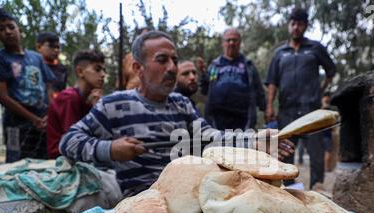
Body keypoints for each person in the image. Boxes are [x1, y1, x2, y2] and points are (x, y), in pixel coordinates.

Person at [59, 30, 294, 197]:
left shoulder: (181, 104)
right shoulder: (113, 105)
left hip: (191, 193)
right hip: (143, 201)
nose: (172, 67)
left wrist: (254, 140)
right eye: (162, 60)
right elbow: (68, 141)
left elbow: (210, 138)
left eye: (174, 60)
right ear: (138, 68)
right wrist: (110, 149)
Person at [265, 8, 336, 189]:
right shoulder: (280, 53)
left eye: (300, 24)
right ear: (289, 25)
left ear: (305, 26)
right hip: (286, 110)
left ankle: (316, 188)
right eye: (293, 23)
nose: (296, 27)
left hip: (310, 110)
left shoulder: (315, 48)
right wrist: (269, 106)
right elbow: (272, 82)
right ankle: (289, 188)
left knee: (316, 152)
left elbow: (331, 72)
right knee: (285, 152)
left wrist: (320, 91)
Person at [0, 8, 55, 162]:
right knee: (16, 164)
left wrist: (50, 114)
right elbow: (2, 97)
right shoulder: (2, 58)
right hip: (16, 125)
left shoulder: (36, 58)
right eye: (1, 29)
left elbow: (48, 88)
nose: (8, 32)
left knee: (43, 162)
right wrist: (33, 119)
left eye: (11, 26)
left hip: (43, 121)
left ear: (19, 29)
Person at [199, 28, 266, 130]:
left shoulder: (248, 65)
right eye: (228, 40)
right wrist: (203, 74)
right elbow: (205, 90)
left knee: (240, 145)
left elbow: (258, 90)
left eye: (235, 40)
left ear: (239, 43)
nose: (231, 43)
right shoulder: (215, 65)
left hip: (243, 120)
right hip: (218, 120)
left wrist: (266, 109)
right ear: (223, 43)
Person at [46, 49, 105, 159]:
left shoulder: (88, 99)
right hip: (60, 158)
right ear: (80, 72)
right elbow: (73, 140)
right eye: (97, 69)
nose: (103, 74)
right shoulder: (69, 98)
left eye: (103, 70)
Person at [36, 31, 68, 100]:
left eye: (58, 47)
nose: (56, 50)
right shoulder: (33, 66)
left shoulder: (62, 69)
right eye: (51, 46)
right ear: (39, 47)